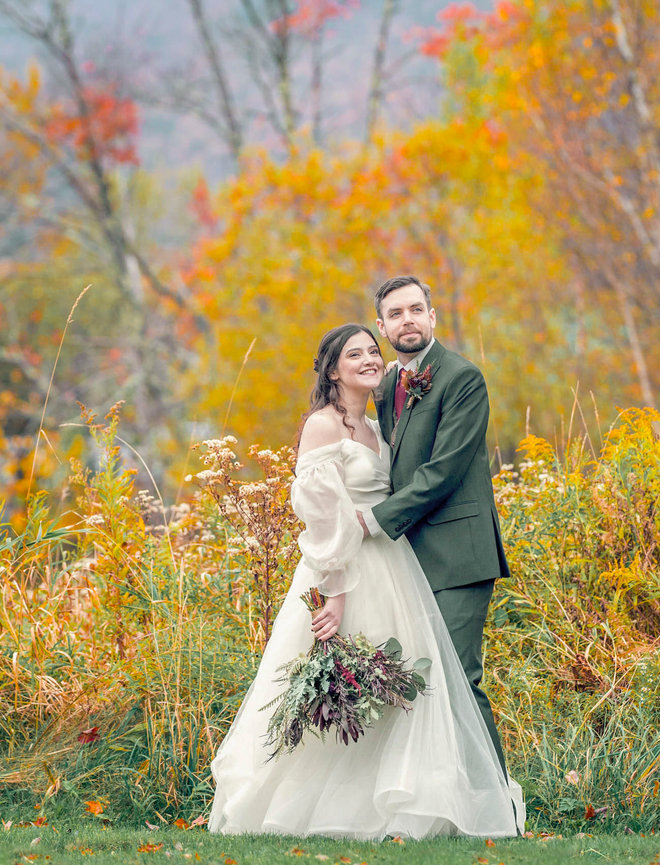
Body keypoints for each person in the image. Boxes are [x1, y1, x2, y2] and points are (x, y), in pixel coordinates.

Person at [208, 324, 523, 839]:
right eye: (354, 354)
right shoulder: (323, 426)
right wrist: (334, 590)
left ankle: (388, 807)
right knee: (342, 686)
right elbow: (323, 516)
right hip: (344, 572)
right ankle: (298, 807)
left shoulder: (379, 424)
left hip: (395, 564)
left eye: (372, 352)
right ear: (333, 369)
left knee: (398, 687)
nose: (369, 360)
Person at [357, 276, 512, 771]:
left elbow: (442, 471)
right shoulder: (384, 387)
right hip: (407, 561)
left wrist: (373, 521)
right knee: (414, 682)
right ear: (382, 327)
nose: (408, 320)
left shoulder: (461, 378)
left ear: (433, 317)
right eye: (396, 314)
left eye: (416, 309)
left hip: (460, 555)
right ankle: (445, 804)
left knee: (459, 680)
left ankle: (498, 807)